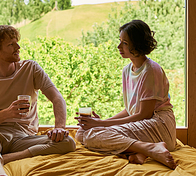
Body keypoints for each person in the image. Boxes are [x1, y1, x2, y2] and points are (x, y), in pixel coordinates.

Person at [0, 25, 76, 176]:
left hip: (24, 139)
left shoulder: (30, 68)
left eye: (16, 42)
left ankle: (4, 158)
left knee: (68, 142)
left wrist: (60, 127)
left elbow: (57, 98)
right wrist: (6, 114)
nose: (18, 47)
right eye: (11, 44)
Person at [74, 19, 177, 169]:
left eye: (125, 43)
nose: (118, 46)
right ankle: (140, 150)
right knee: (82, 133)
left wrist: (101, 124)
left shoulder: (151, 71)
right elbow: (130, 110)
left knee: (91, 135)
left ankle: (151, 148)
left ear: (137, 44)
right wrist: (100, 123)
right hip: (142, 124)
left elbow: (144, 114)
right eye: (120, 41)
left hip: (159, 125)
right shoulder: (127, 70)